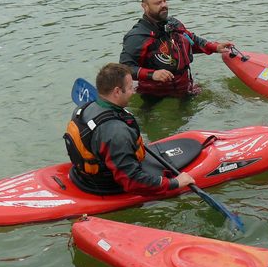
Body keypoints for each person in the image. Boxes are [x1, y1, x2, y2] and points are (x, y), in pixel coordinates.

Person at [63, 62, 195, 195]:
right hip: (107, 185)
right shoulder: (117, 132)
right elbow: (132, 182)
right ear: (117, 91)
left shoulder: (84, 108)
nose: (133, 91)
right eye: (131, 87)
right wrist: (175, 182)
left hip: (83, 176)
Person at [120, 0, 234, 97]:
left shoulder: (174, 24)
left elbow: (192, 41)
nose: (164, 5)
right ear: (145, 6)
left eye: (165, 1)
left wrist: (215, 47)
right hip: (154, 94)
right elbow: (124, 69)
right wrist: (153, 74)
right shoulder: (137, 37)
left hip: (185, 87)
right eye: (158, 3)